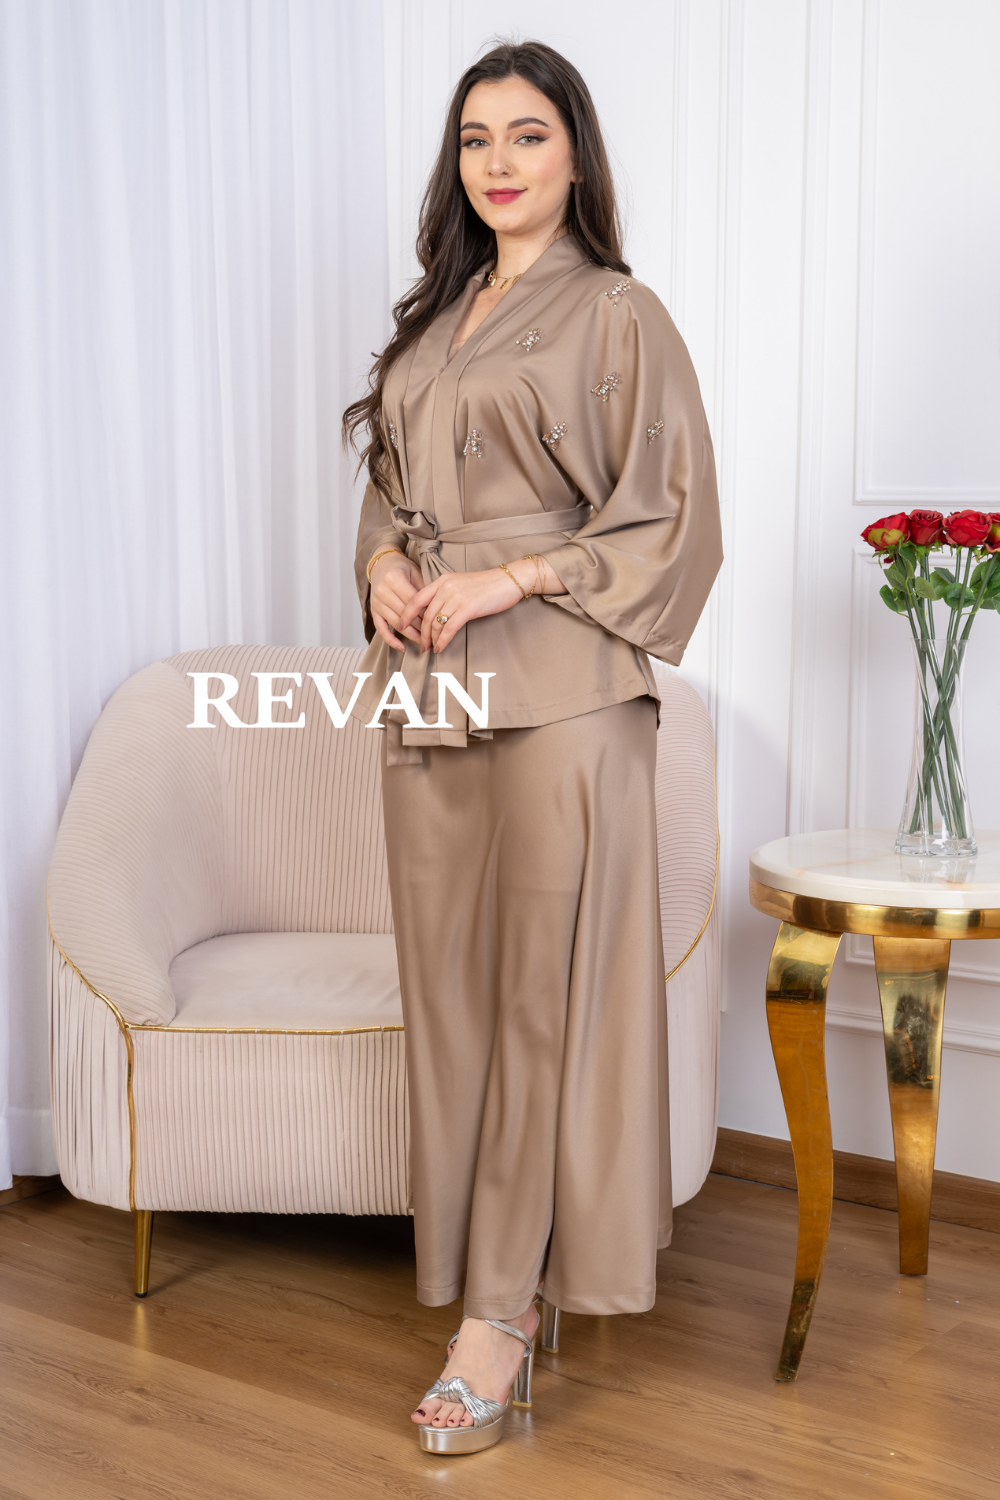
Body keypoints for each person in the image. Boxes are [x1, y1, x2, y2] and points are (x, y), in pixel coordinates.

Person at [342, 39, 722, 1456]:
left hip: (564, 697)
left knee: (540, 1005)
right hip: (428, 689)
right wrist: (383, 565)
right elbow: (389, 492)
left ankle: (498, 1319)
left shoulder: (619, 315)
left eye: (527, 135)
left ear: (575, 154)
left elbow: (673, 515)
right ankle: (495, 1280)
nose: (498, 163)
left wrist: (515, 578)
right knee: (451, 996)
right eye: (475, 140)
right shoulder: (434, 326)